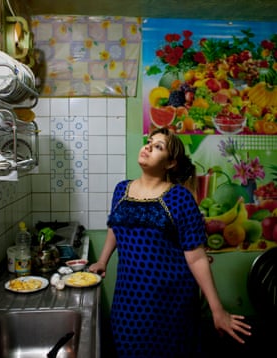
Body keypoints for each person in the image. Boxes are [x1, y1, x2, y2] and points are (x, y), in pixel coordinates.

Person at [89, 127, 251, 357]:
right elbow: (115, 227)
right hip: (128, 299)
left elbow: (196, 257)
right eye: (149, 141)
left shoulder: (180, 198)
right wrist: (103, 261)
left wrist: (217, 311)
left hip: (171, 301)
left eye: (158, 146)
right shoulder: (121, 190)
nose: (148, 146)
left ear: (170, 163)